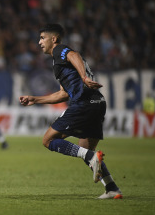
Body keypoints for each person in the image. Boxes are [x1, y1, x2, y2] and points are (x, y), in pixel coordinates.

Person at [19, 23, 122, 199]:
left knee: (48, 140)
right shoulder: (58, 63)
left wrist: (83, 77)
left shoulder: (60, 50)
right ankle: (112, 188)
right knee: (84, 149)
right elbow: (63, 94)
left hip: (83, 103)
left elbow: (74, 55)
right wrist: (35, 99)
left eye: (42, 38)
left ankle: (92, 157)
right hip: (97, 103)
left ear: (54, 39)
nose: (39, 42)